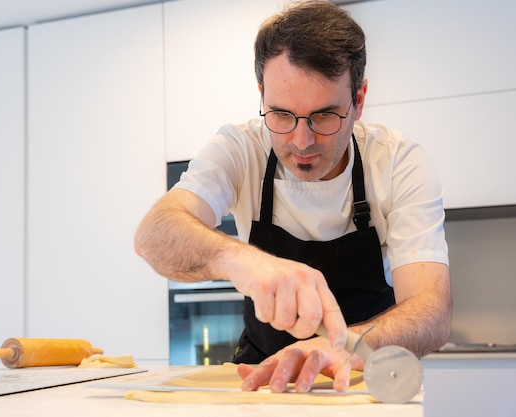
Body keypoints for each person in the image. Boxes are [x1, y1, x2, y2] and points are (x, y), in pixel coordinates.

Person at [134, 0, 451, 393]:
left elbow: (432, 312)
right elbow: (153, 235)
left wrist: (345, 344)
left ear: (360, 99)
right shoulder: (240, 147)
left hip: (359, 378)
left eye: (324, 115)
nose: (301, 142)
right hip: (259, 377)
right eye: (282, 115)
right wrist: (239, 259)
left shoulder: (398, 162)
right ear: (262, 95)